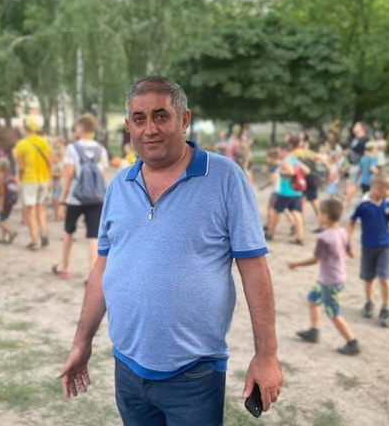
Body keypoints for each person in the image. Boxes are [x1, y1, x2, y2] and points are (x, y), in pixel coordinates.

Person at [59, 77, 283, 424]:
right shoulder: (120, 185)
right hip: (127, 368)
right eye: (139, 119)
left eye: (161, 116)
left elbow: (254, 268)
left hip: (194, 374)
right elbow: (103, 267)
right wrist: (81, 342)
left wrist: (266, 355)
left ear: (184, 119)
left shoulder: (224, 177)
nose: (150, 129)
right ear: (128, 126)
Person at [288, 199, 360, 355]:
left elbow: (315, 260)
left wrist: (295, 264)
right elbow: (352, 254)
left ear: (326, 216)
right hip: (333, 278)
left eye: (320, 213)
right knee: (313, 299)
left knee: (333, 313)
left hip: (330, 281)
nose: (319, 216)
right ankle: (314, 331)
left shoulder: (324, 237)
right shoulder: (343, 232)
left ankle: (352, 342)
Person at [53, 114, 109, 278]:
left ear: (82, 128)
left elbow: (68, 175)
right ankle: (92, 274)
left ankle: (65, 266)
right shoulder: (101, 150)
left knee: (69, 231)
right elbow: (103, 175)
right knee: (93, 236)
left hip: (75, 198)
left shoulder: (72, 149)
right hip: (96, 198)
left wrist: (62, 199)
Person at [347, 173, 389, 328]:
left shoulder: (388, 203)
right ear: (377, 189)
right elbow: (351, 222)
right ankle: (369, 302)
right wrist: (347, 242)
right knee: (368, 277)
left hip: (385, 245)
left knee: (384, 277)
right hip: (368, 245)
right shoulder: (362, 203)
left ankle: (386, 307)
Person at [14, 117, 52, 250]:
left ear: (25, 128)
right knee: (41, 208)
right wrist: (50, 178)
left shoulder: (21, 144)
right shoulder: (44, 142)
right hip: (43, 178)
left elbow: (21, 167)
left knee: (31, 211)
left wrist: (19, 179)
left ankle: (34, 240)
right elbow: (50, 162)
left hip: (29, 179)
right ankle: (44, 233)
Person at [266, 143, 309, 245]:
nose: (279, 153)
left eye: (280, 151)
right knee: (297, 213)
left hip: (285, 191)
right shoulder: (295, 160)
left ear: (284, 151)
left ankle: (270, 233)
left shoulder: (286, 160)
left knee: (276, 211)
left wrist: (280, 172)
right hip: (296, 191)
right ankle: (300, 237)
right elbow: (307, 171)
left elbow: (291, 172)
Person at [343, 122, 369, 208]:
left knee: (354, 185)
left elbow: (367, 154)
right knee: (351, 184)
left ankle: (346, 203)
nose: (354, 127)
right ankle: (347, 201)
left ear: (362, 128)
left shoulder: (366, 140)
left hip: (359, 165)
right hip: (352, 164)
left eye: (356, 126)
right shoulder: (355, 139)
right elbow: (351, 151)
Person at [0, 157, 19, 244]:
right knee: (4, 219)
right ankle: (3, 237)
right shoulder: (10, 177)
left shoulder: (0, 177)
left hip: (3, 202)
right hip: (10, 202)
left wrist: (0, 205)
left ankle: (11, 232)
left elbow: (1, 193)